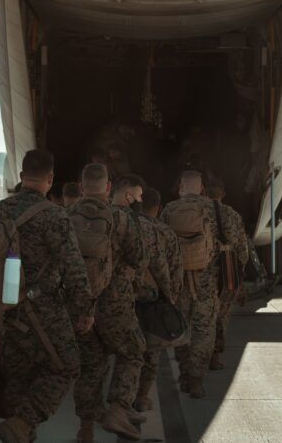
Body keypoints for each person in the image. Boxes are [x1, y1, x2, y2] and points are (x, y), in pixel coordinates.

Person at [0, 150, 95, 443]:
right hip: (42, 310)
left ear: (21, 177)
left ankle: (20, 427)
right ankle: (24, 422)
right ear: (50, 179)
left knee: (18, 381)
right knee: (67, 366)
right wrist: (85, 309)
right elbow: (73, 267)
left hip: (4, 311)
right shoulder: (54, 215)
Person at [71, 167, 145, 442]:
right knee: (133, 352)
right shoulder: (121, 217)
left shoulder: (67, 216)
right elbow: (139, 257)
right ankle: (118, 408)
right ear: (108, 187)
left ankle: (85, 429)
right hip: (115, 305)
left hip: (81, 305)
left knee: (90, 367)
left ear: (81, 186)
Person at [160, 170, 219, 398]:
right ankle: (196, 380)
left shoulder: (169, 210)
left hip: (178, 282)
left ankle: (184, 373)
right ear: (203, 188)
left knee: (181, 329)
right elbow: (239, 248)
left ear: (180, 188)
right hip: (208, 282)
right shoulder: (218, 211)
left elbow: (159, 245)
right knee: (204, 332)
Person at [134, 187, 183, 412]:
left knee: (128, 349)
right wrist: (171, 298)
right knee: (152, 349)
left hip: (127, 296)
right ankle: (142, 396)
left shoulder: (126, 224)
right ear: (159, 208)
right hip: (153, 300)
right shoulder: (165, 232)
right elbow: (174, 269)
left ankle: (121, 398)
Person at [205, 177, 249, 370]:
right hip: (226, 271)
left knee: (201, 316)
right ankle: (214, 357)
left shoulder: (199, 213)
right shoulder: (233, 215)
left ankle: (195, 359)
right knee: (221, 317)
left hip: (202, 271)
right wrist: (240, 274)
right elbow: (242, 251)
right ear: (223, 194)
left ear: (204, 193)